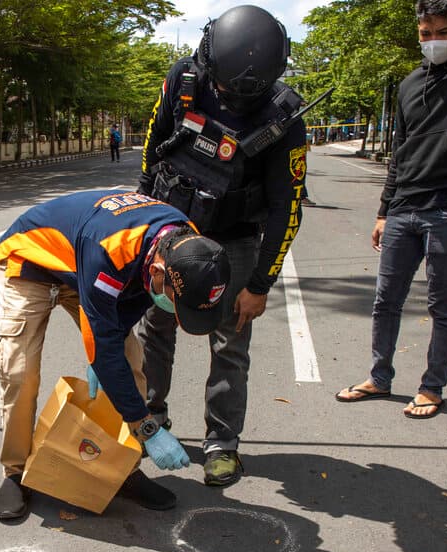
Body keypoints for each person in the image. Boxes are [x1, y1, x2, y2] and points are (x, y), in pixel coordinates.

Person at [136, 5, 308, 486]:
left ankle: (222, 443)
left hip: (234, 243)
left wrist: (260, 284)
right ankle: (149, 420)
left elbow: (286, 208)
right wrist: (143, 238)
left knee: (230, 343)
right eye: (227, 91)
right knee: (156, 328)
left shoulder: (283, 117)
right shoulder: (184, 80)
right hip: (170, 234)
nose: (233, 102)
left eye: (244, 97)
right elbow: (151, 159)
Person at [0, 189, 232, 520]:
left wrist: (110, 346)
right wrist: (148, 428)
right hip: (32, 260)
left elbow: (138, 296)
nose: (176, 314)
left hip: (82, 267)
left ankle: (124, 470)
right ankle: (15, 472)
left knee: (128, 361)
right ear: (160, 270)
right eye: (178, 304)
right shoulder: (110, 249)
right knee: (20, 370)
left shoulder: (186, 246)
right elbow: (105, 338)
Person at [335, 0, 447, 418]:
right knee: (385, 300)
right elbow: (400, 151)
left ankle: (432, 387)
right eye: (426, 33)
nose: (433, 41)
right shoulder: (409, 83)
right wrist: (384, 211)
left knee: (442, 304)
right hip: (404, 209)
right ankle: (379, 378)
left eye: (443, 32)